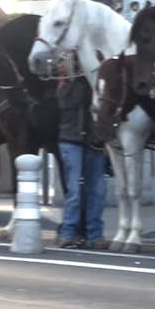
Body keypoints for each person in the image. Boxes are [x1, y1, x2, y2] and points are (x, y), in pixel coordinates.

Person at [55, 57, 107, 249]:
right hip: (71, 140)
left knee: (97, 191)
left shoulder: (98, 85)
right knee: (75, 191)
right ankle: (68, 232)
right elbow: (71, 102)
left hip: (94, 142)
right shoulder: (66, 85)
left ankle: (95, 235)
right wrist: (81, 80)